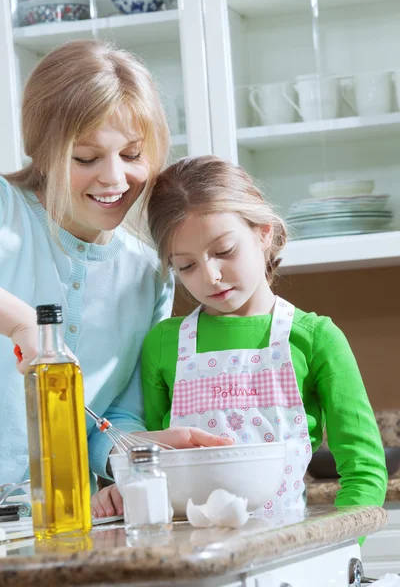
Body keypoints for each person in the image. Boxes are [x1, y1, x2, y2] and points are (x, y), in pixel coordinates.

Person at [0, 42, 232, 516]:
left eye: (131, 154)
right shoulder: (5, 209)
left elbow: (113, 416)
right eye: (86, 157)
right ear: (42, 151)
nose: (115, 179)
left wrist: (132, 448)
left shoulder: (149, 275)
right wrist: (22, 322)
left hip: (58, 519)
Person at [140, 155, 387, 517]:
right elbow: (149, 469)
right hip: (193, 563)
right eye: (186, 265)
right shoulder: (163, 343)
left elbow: (364, 469)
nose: (210, 277)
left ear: (263, 232)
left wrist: (341, 556)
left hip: (286, 556)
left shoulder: (316, 338)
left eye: (224, 251)